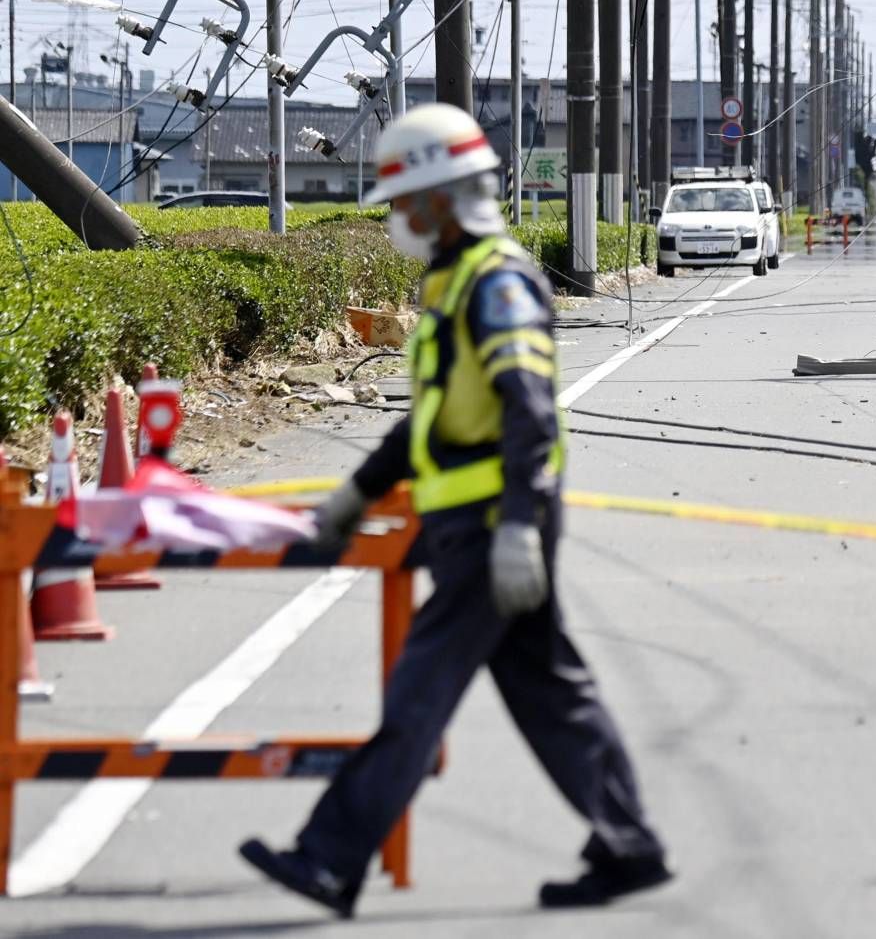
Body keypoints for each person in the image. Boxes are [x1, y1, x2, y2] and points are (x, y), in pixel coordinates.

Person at [240, 105, 669, 918]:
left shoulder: (498, 286)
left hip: (489, 529)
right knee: (553, 693)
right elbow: (429, 422)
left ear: (444, 200)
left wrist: (514, 528)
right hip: (479, 527)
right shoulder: (458, 285)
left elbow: (530, 412)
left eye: (407, 202)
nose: (399, 219)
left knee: (419, 695)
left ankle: (330, 857)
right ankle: (629, 843)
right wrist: (354, 494)